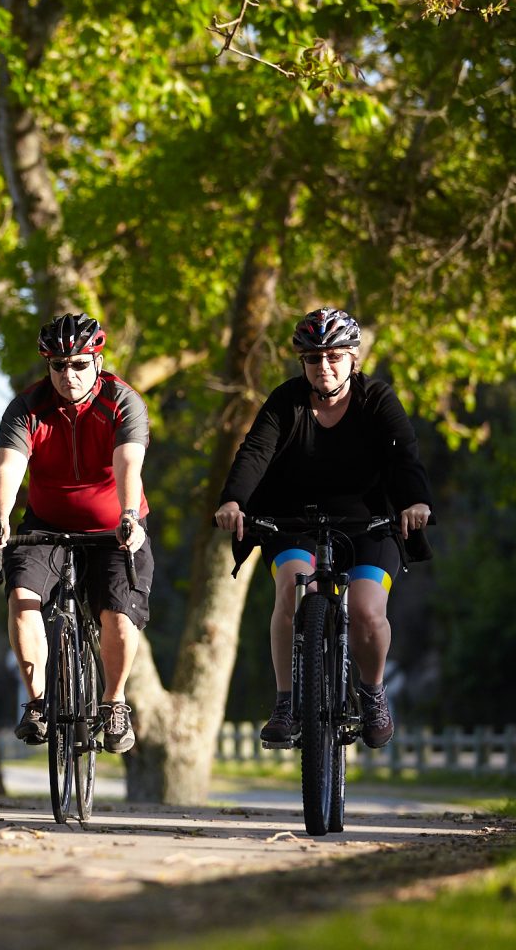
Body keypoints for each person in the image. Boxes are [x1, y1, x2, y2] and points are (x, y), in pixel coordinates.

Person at [214, 307, 433, 750]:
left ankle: (371, 694)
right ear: (303, 364)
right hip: (293, 520)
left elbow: (404, 452)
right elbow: (255, 452)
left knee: (369, 614)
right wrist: (233, 500)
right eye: (314, 359)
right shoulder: (286, 400)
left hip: (367, 523)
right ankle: (285, 703)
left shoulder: (377, 399)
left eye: (334, 356)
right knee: (293, 589)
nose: (324, 366)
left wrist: (414, 500)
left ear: (353, 358)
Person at [0, 313, 153, 754]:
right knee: (23, 597)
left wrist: (129, 515)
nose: (68, 374)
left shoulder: (122, 401)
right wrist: (0, 518)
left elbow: (128, 464)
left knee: (117, 613)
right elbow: (8, 466)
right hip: (46, 526)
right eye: (58, 366)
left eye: (78, 364)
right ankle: (37, 703)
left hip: (115, 527)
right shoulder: (27, 407)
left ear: (97, 361)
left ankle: (113, 703)